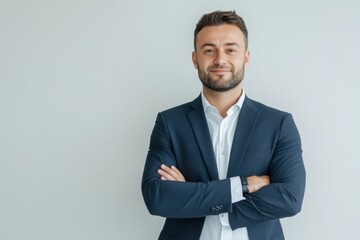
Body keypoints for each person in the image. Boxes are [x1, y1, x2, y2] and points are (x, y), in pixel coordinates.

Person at [141, 10, 306, 240]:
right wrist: (243, 186)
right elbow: (157, 197)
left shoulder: (278, 123)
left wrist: (196, 199)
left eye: (230, 49)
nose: (220, 59)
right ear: (195, 58)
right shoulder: (170, 123)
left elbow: (290, 199)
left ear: (246, 57)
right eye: (209, 50)